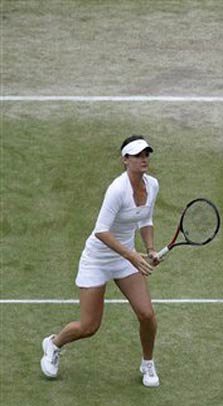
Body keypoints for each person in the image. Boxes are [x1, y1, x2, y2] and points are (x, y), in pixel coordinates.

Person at [40, 135, 163, 386]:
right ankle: (53, 344)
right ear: (125, 160)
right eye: (138, 155)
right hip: (98, 258)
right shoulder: (117, 190)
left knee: (147, 314)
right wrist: (131, 255)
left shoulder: (152, 185)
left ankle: (147, 363)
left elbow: (145, 219)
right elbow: (101, 231)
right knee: (89, 326)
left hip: (125, 257)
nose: (144, 159)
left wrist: (149, 248)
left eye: (146, 154)